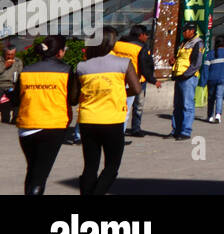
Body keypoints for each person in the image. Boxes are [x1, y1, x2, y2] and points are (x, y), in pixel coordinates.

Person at [76, 26, 141, 195]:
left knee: (90, 166)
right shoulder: (123, 63)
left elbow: (75, 97)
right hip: (112, 120)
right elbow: (136, 88)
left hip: (87, 120)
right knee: (111, 167)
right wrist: (120, 93)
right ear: (112, 43)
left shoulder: (82, 66)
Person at [15, 36, 77, 195]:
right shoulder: (66, 70)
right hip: (53, 126)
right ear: (60, 52)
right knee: (40, 175)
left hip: (26, 127)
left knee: (33, 169)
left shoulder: (27, 70)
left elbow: (16, 98)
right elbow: (73, 99)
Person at [112, 25, 157, 136]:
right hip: (137, 80)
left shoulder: (117, 44)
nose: (147, 37)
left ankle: (115, 128)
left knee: (118, 106)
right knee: (137, 106)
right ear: (140, 35)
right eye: (146, 34)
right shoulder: (141, 47)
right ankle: (133, 129)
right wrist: (153, 80)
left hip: (118, 78)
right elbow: (145, 66)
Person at [169, 23, 203, 140]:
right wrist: (174, 61)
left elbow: (196, 63)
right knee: (177, 106)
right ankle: (175, 130)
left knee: (187, 105)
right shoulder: (183, 42)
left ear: (192, 31)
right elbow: (181, 58)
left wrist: (186, 75)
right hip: (179, 77)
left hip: (188, 78)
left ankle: (185, 132)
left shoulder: (197, 43)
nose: (183, 33)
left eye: (186, 31)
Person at [206, 35, 224, 123]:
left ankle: (210, 116)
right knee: (219, 96)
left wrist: (204, 80)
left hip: (211, 78)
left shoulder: (210, 53)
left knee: (211, 98)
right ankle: (218, 115)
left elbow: (205, 68)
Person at [1, 43, 23, 125]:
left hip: (13, 85)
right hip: (1, 85)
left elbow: (20, 74)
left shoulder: (18, 61)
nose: (10, 57)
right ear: (4, 53)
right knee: (4, 98)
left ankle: (15, 118)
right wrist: (4, 66)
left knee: (18, 95)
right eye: (8, 54)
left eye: (12, 54)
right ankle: (5, 119)